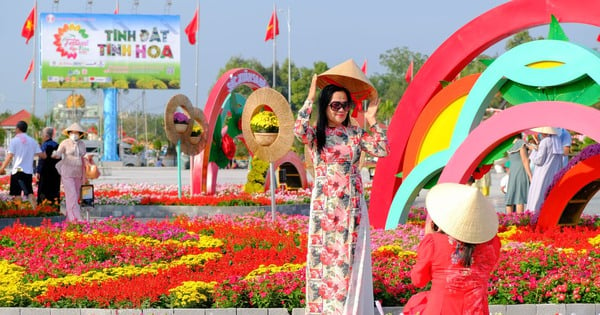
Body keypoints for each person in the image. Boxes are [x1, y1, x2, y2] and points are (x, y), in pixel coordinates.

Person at [294, 74, 388, 315]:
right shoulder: (317, 135)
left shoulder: (355, 134)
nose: (341, 110)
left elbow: (382, 149)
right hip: (325, 210)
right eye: (336, 105)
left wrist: (371, 118)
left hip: (352, 209)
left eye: (346, 105)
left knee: (349, 263)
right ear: (325, 106)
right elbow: (298, 130)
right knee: (325, 265)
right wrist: (310, 97)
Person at [403, 183, 501, 315]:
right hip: (477, 310)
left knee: (416, 303)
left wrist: (429, 237)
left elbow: (418, 280)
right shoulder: (492, 244)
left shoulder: (434, 243)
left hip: (440, 310)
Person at [0, 120, 45, 208]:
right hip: (28, 171)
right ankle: (35, 210)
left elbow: (10, 156)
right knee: (29, 192)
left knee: (17, 194)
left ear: (17, 129)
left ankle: (19, 212)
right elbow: (42, 155)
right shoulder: (32, 141)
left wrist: (2, 168)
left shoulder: (14, 141)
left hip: (17, 171)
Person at [53, 123, 88, 222]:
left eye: (76, 132)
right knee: (71, 194)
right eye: (72, 132)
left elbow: (83, 159)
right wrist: (56, 154)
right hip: (67, 172)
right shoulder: (64, 143)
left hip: (78, 173)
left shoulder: (82, 144)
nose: (74, 134)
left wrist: (84, 177)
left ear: (80, 134)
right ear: (69, 133)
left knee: (75, 195)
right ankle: (76, 218)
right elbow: (59, 153)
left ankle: (69, 218)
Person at [526, 127, 563, 220]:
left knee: (538, 195)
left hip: (542, 173)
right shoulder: (557, 141)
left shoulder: (545, 141)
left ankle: (533, 216)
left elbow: (539, 161)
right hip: (554, 173)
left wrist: (533, 150)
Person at [505, 133, 532, 214]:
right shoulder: (521, 143)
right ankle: (519, 220)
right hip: (521, 170)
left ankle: (508, 220)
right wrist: (530, 175)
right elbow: (525, 160)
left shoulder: (509, 144)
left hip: (512, 171)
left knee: (510, 195)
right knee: (519, 197)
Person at [36, 127, 61, 208]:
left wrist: (38, 171)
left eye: (43, 134)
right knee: (54, 190)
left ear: (46, 135)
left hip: (45, 172)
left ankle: (43, 207)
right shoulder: (57, 145)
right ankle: (55, 206)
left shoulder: (45, 145)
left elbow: (42, 159)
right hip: (56, 172)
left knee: (44, 191)